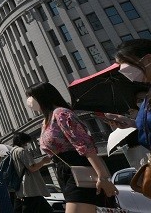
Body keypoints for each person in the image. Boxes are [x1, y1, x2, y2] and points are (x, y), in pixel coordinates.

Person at [25, 82, 117, 212]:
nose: (28, 101)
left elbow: (84, 145)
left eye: (31, 96)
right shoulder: (45, 121)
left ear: (42, 96)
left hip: (77, 168)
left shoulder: (61, 113)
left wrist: (102, 176)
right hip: (64, 171)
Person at [115, 39, 151, 161]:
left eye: (126, 63)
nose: (123, 70)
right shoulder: (150, 95)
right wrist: (132, 123)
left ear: (148, 59)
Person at [10, 132, 52, 213]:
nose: (28, 144)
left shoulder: (12, 152)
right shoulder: (21, 151)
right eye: (27, 142)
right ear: (23, 141)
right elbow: (32, 168)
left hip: (22, 187)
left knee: (46, 209)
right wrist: (43, 161)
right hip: (30, 187)